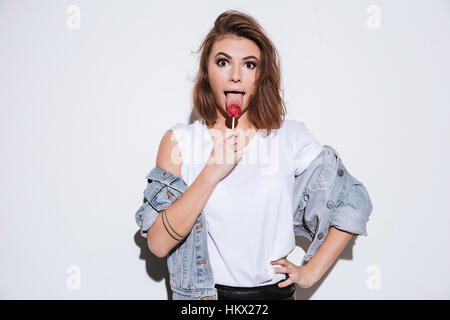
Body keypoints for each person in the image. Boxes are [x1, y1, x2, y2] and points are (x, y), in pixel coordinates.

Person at [135, 10, 373, 300]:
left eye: (249, 64)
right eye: (223, 62)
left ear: (261, 76)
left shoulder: (289, 137)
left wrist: (309, 272)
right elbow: (158, 244)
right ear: (207, 71)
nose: (235, 75)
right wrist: (211, 173)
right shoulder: (180, 142)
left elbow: (352, 200)